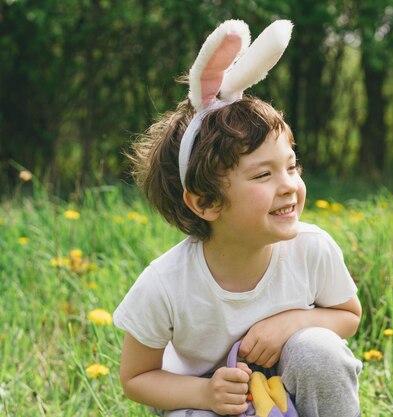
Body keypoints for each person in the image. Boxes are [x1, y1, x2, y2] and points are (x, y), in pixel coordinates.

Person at [113, 19, 362, 417]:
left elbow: (348, 315)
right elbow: (136, 377)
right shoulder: (165, 284)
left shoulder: (312, 248)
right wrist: (203, 394)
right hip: (210, 403)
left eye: (292, 167)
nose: (288, 185)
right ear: (206, 204)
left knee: (318, 350)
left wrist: (293, 322)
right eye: (263, 174)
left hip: (290, 393)